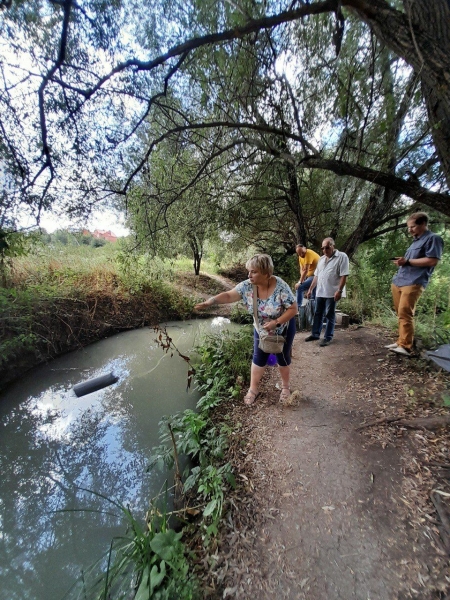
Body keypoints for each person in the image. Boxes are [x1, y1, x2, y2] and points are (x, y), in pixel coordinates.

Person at [195, 254, 298, 405]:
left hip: (283, 327)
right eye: (249, 271)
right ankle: (253, 389)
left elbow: (293, 309)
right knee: (258, 358)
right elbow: (229, 296)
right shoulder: (247, 286)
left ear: (266, 273)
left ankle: (285, 387)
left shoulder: (281, 286)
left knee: (282, 359)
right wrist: (212, 301)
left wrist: (276, 322)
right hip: (260, 328)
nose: (249, 274)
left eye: (254, 271)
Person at [388, 212, 444, 356]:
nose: (410, 230)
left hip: (414, 281)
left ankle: (406, 346)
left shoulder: (433, 238)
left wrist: (407, 261)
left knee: (405, 312)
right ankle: (400, 341)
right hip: (400, 280)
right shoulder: (415, 241)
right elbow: (409, 260)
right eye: (409, 227)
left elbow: (432, 261)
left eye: (413, 227)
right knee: (400, 313)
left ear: (423, 224)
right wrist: (402, 261)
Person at [304, 237, 349, 347]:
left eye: (327, 248)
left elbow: (344, 275)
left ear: (333, 246)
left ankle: (328, 337)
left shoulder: (342, 257)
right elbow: (316, 276)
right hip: (320, 291)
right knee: (318, 313)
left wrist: (339, 290)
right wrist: (310, 289)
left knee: (329, 314)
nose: (324, 250)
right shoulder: (321, 259)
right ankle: (315, 334)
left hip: (332, 292)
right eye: (323, 248)